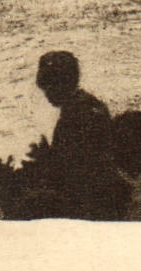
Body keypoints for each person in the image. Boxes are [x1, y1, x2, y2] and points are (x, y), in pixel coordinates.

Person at [30, 51, 129, 219]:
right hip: (103, 192)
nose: (46, 94)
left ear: (61, 84)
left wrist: (46, 158)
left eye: (49, 87)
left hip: (89, 200)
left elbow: (74, 169)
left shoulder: (75, 115)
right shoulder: (90, 105)